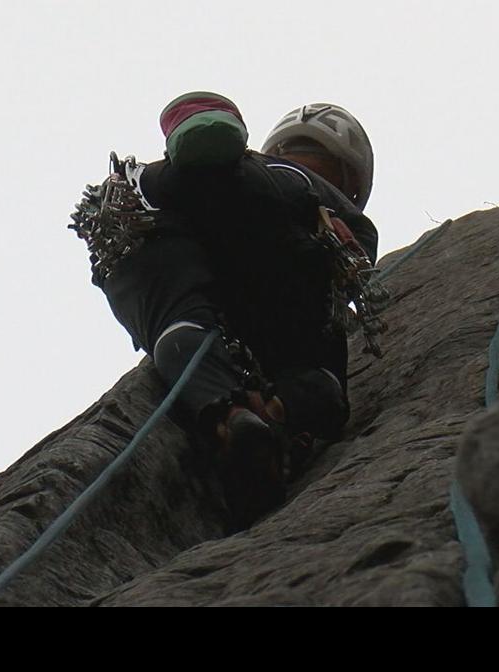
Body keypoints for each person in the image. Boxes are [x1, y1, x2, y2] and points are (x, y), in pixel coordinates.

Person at [77, 92, 378, 529]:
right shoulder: (303, 185)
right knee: (313, 370)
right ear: (351, 178)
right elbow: (355, 256)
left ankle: (228, 413)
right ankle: (280, 414)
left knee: (173, 313)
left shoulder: (206, 168)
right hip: (276, 228)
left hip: (150, 201)